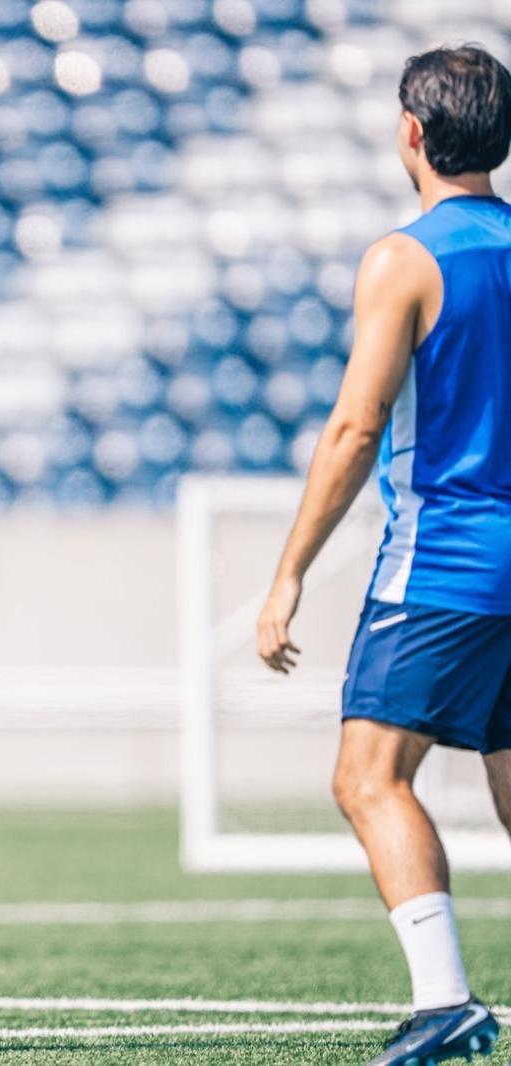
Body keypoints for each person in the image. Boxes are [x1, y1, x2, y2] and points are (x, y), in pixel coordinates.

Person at [256, 45, 511, 1066]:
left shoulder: (405, 259)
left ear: (410, 130)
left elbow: (356, 427)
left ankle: (444, 1000)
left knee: (368, 776)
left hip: (448, 557)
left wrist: (288, 572)